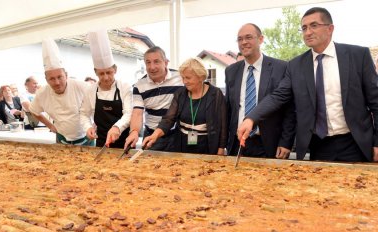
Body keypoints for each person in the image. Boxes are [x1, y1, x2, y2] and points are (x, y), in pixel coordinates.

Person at [238, 7, 378, 162]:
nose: (308, 32)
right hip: (318, 145)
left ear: (330, 29)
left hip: (355, 143)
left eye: (314, 26)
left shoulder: (358, 56)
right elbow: (278, 96)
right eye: (304, 28)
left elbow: (376, 102)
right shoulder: (296, 65)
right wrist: (251, 118)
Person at [225, 23, 296, 159]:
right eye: (240, 39)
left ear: (261, 39)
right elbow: (229, 108)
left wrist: (286, 142)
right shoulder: (231, 71)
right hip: (238, 143)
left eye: (248, 37)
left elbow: (289, 109)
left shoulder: (281, 67)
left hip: (269, 144)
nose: (244, 42)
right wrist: (224, 144)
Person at [142, 58, 226, 155]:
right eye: (183, 78)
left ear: (200, 77)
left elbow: (223, 124)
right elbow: (168, 119)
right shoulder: (180, 94)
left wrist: (221, 148)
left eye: (188, 78)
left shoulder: (216, 94)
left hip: (207, 144)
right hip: (181, 143)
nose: (184, 81)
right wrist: (155, 135)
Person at [30, 38, 92, 146]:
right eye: (52, 79)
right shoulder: (42, 93)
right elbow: (34, 111)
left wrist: (94, 126)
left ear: (66, 75)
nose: (57, 82)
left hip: (86, 137)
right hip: (62, 138)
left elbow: (97, 104)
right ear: (46, 80)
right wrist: (50, 126)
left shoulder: (81, 86)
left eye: (60, 77)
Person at [80, 29, 133, 148]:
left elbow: (129, 113)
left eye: (109, 72)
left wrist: (117, 127)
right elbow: (83, 113)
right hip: (102, 142)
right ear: (95, 73)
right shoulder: (90, 90)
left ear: (115, 70)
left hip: (124, 141)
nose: (105, 77)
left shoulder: (125, 87)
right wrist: (88, 127)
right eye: (101, 73)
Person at [124, 46, 183, 150]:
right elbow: (137, 113)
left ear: (166, 62)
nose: (152, 67)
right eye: (148, 62)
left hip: (177, 135)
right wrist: (134, 132)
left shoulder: (180, 78)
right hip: (151, 136)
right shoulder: (139, 86)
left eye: (156, 62)